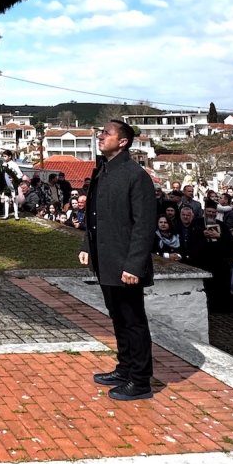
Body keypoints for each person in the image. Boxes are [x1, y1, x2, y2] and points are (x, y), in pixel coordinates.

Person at [80, 120, 157, 401]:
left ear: (123, 141)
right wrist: (87, 245)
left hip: (126, 264)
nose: (100, 137)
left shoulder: (135, 175)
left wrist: (134, 266)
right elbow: (94, 215)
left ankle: (140, 380)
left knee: (133, 320)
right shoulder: (103, 171)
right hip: (105, 259)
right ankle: (125, 368)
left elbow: (144, 225)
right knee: (118, 317)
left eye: (106, 134)